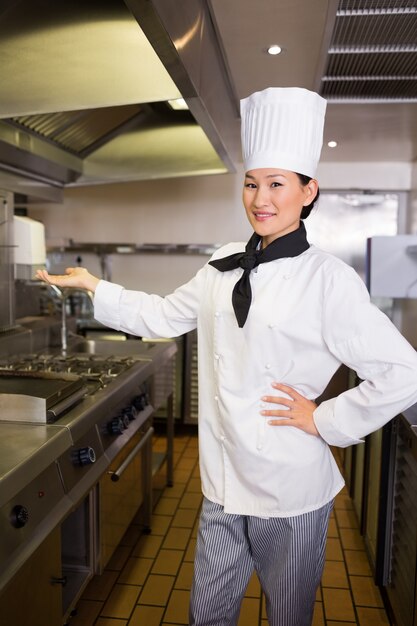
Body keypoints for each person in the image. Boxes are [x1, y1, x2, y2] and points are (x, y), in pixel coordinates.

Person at [36, 87, 417, 626]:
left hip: (290, 493)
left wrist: (324, 417)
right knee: (207, 617)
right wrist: (94, 285)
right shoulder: (222, 263)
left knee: (288, 618)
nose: (261, 198)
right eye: (251, 183)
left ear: (308, 191)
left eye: (277, 184)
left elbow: (405, 372)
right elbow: (164, 316)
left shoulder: (328, 280)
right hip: (222, 485)